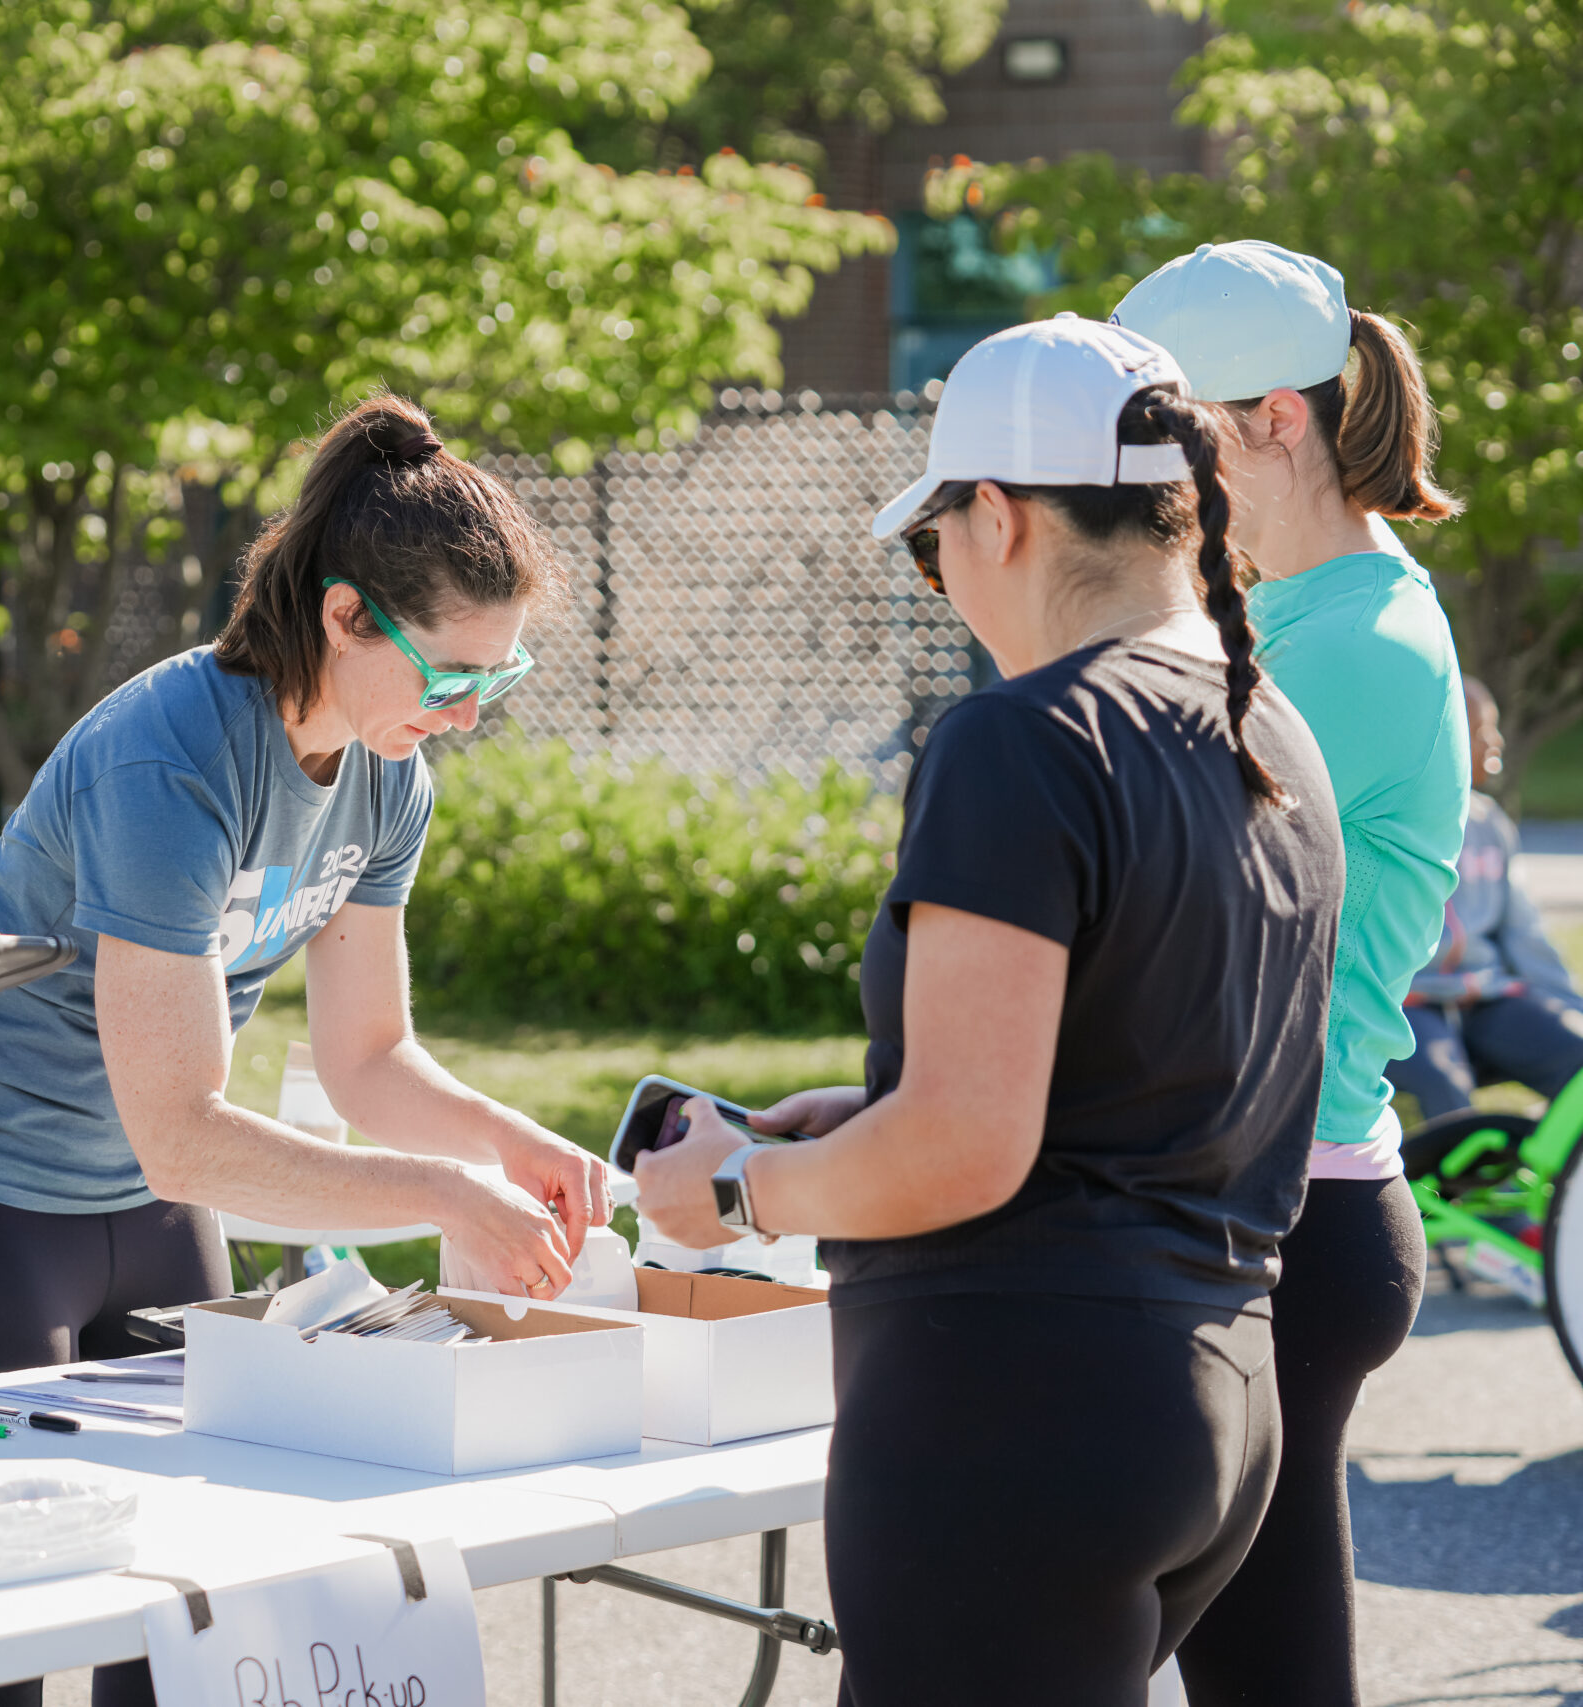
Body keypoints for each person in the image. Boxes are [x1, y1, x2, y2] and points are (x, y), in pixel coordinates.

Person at [0, 395, 610, 1707]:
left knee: (193, 1617)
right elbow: (185, 1125)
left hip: (148, 1212)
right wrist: (438, 1193)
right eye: (449, 676)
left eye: (499, 678)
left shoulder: (390, 770)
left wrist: (507, 1143)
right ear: (344, 613)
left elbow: (370, 1056)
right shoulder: (174, 756)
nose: (469, 715)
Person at [632, 315, 1344, 1705]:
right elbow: (1139, 1077)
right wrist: (869, 1119)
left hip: (1023, 1407)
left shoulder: (1024, 737)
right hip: (1214, 1387)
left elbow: (968, 1144)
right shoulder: (1275, 731)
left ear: (1001, 518)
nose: (942, 573)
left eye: (934, 537)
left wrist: (739, 1188)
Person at [1113, 240, 1468, 1707]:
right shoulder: (1315, 615)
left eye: (1170, 443)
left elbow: (1127, 908)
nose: (1144, 492)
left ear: (1278, 419)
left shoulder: (1344, 648)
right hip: (1288, 1201)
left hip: (1277, 1212)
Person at [1390, 679, 1583, 1120]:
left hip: (1485, 996)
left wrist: (1571, 1009)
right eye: (1482, 731)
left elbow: (1525, 935)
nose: (1495, 741)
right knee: (1447, 1093)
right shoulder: (1396, 823)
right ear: (1445, 740)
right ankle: (1450, 1188)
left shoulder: (1490, 825)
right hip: (1413, 1002)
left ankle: (1557, 1181)